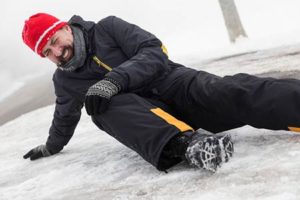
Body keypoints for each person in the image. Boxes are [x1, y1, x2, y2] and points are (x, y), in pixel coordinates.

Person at [21, 13, 299, 173]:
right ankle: (190, 147)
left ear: (65, 28)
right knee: (100, 106)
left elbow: (154, 52)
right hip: (152, 125)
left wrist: (115, 79)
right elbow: (64, 116)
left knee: (234, 90)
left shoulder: (108, 28)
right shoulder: (65, 81)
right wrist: (51, 146)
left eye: (55, 41)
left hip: (176, 84)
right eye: (47, 52)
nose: (57, 52)